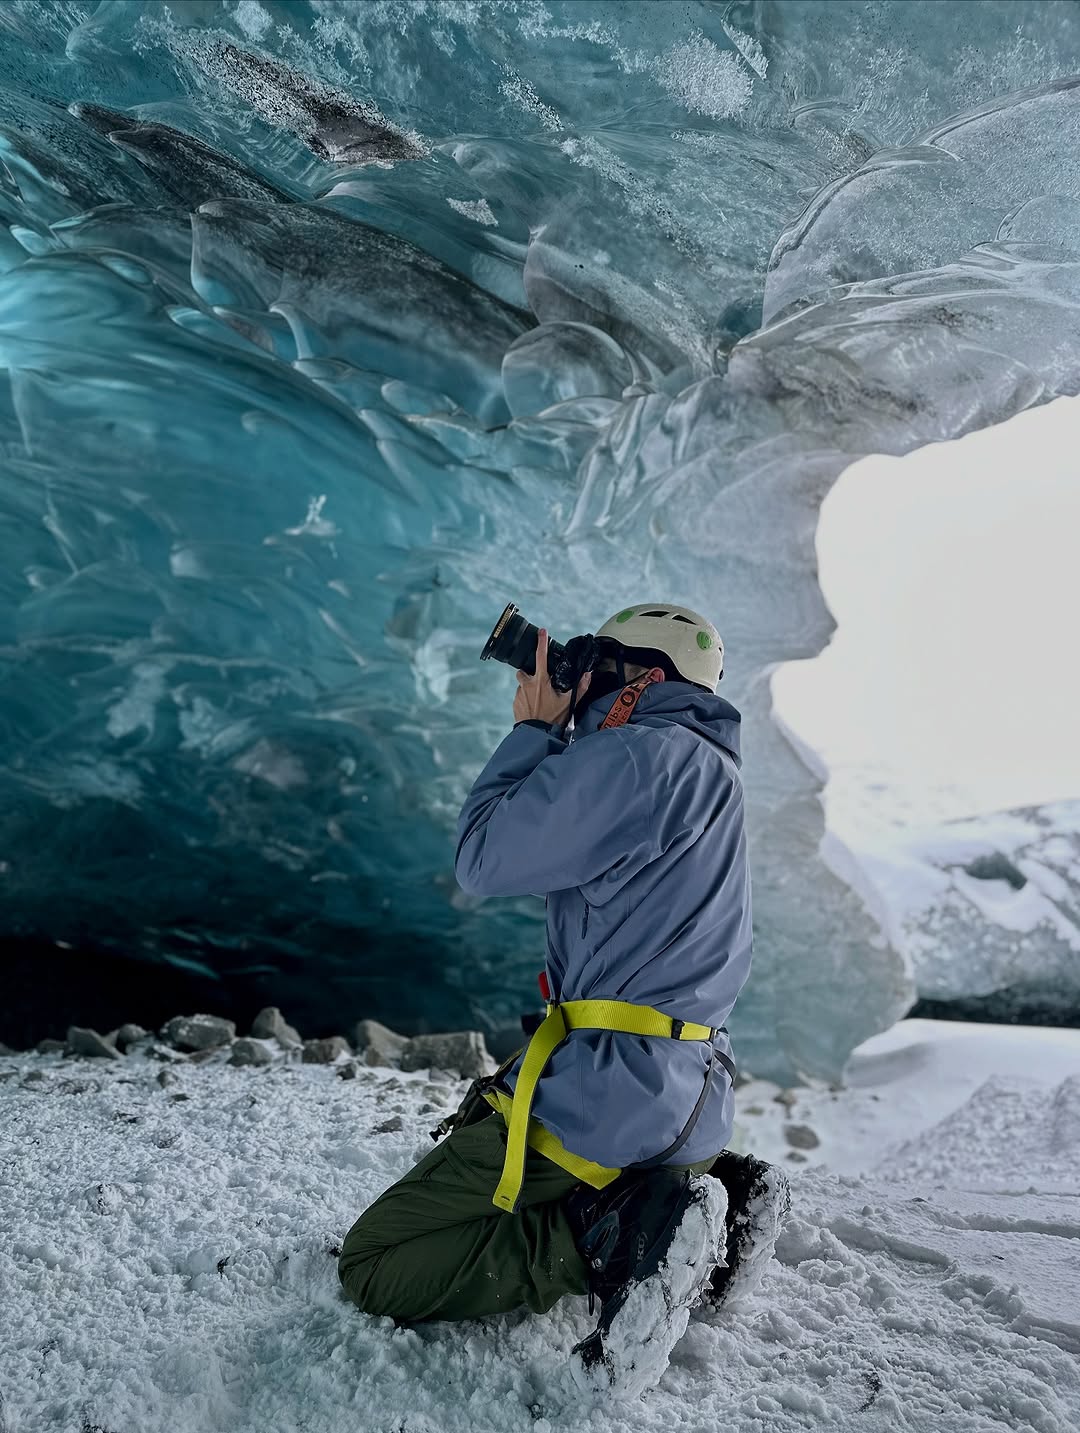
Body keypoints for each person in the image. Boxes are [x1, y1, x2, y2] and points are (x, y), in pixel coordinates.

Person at [338, 602, 789, 1398]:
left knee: (375, 1263)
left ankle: (616, 1232)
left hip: (610, 1095)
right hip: (689, 1095)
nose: (579, 688)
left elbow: (482, 857)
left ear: (644, 679)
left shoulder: (637, 757)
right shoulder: (710, 770)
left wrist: (536, 732)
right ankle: (710, 1187)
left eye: (597, 667)